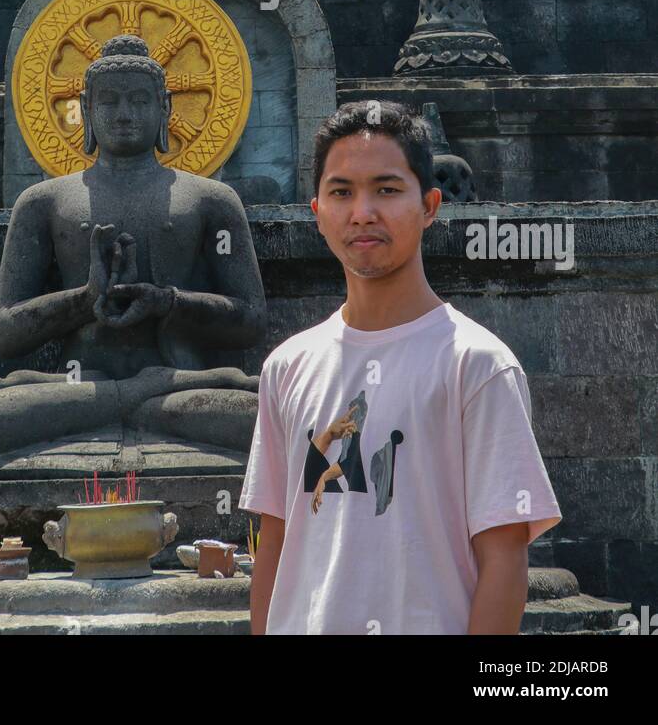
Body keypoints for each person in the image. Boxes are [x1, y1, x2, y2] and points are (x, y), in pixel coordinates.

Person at [239, 100, 562, 635]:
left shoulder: (476, 365)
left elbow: (504, 558)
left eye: (387, 190)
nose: (363, 211)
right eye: (342, 192)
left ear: (430, 205)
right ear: (317, 210)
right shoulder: (287, 367)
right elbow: (273, 544)